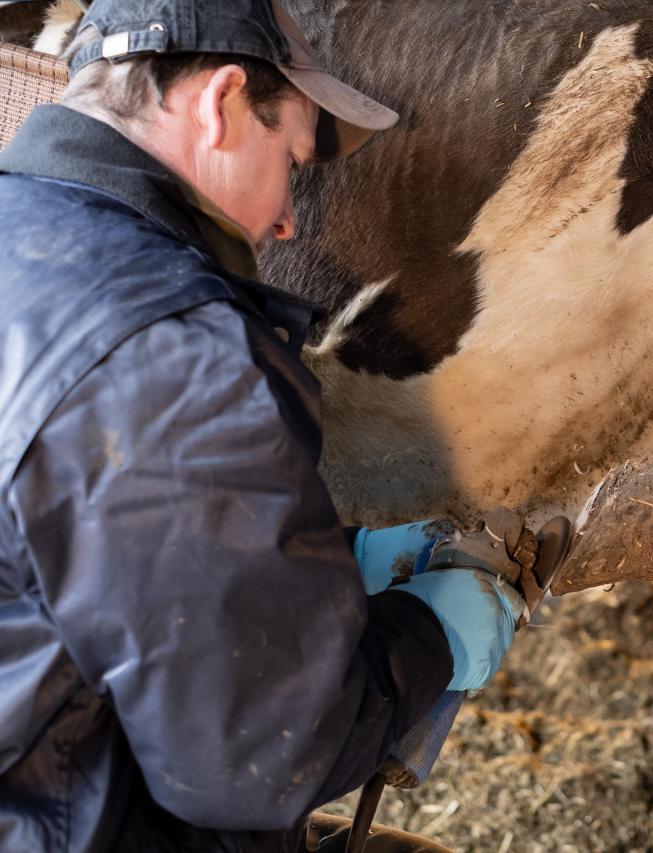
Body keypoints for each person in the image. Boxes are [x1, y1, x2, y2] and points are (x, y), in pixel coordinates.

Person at [0, 1, 541, 850]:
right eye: (291, 157)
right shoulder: (174, 353)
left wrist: (298, 577)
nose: (288, 218)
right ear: (220, 105)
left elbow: (68, 574)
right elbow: (258, 757)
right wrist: (430, 634)